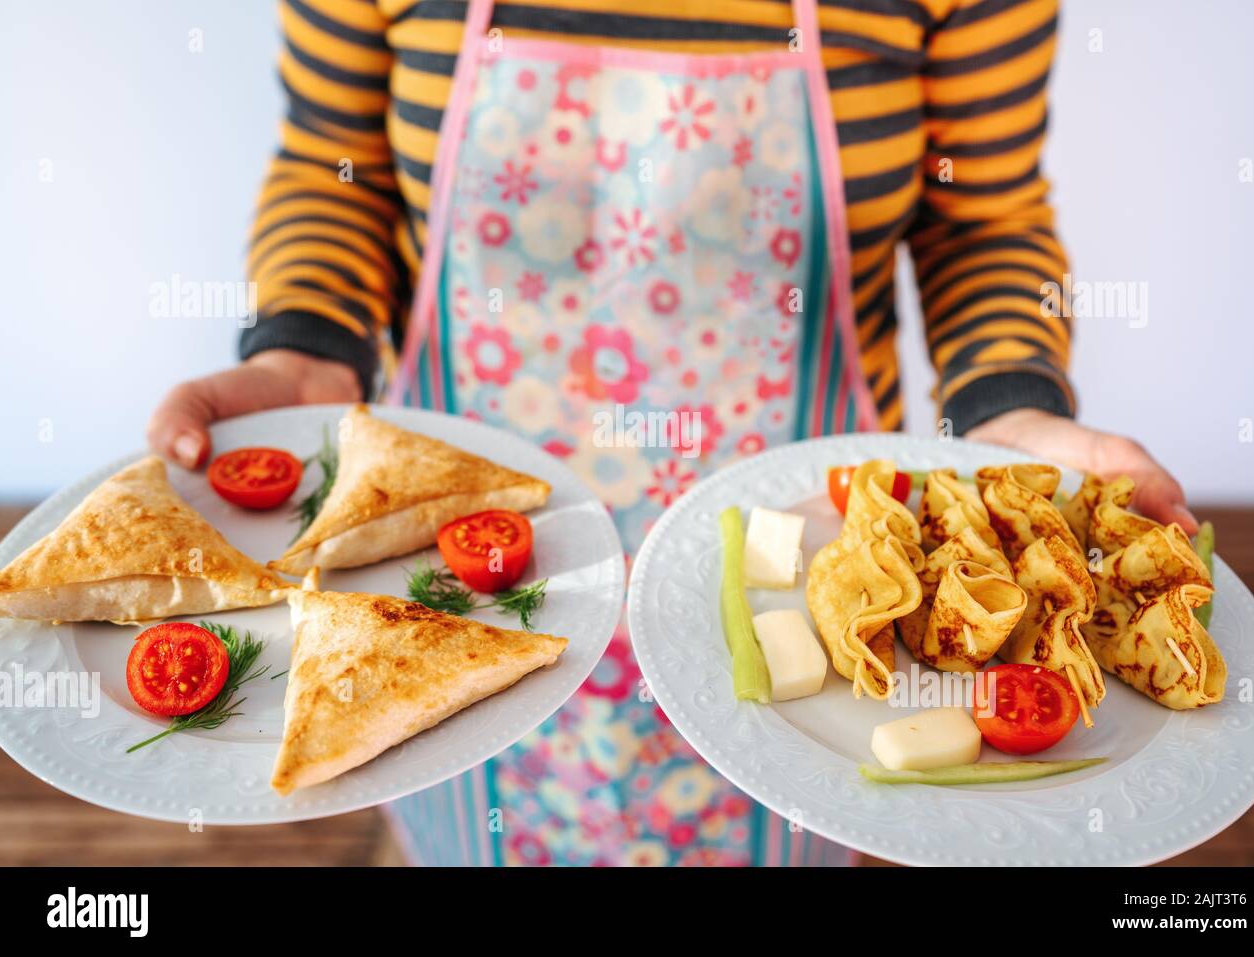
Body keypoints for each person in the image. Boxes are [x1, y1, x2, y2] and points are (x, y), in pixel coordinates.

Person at [148, 0, 1196, 866]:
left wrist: (1009, 408)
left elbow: (985, 217)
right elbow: (338, 171)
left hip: (798, 570)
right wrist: (304, 347)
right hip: (468, 566)